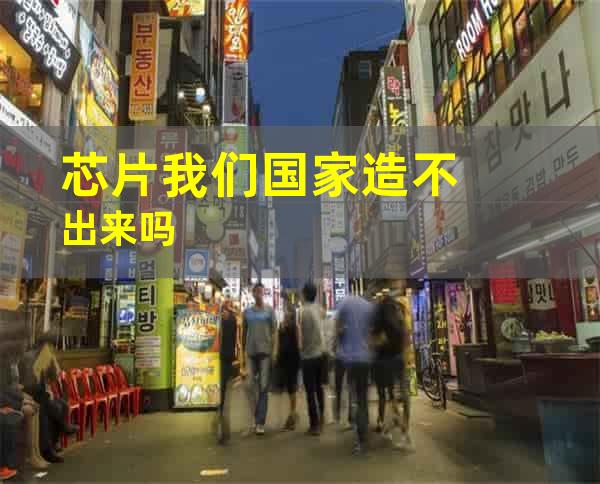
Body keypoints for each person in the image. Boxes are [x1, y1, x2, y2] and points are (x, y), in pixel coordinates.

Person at [20, 334, 78, 463]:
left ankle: (54, 443)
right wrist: (44, 392)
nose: (52, 349)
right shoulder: (29, 357)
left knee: (62, 404)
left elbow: (54, 377)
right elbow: (30, 383)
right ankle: (47, 450)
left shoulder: (45, 357)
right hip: (28, 393)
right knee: (45, 409)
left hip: (40, 393)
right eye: (50, 346)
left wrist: (53, 361)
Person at [371, 290, 412, 449]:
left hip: (386, 359)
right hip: (399, 357)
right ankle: (403, 427)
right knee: (403, 393)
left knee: (390, 395)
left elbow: (375, 339)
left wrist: (377, 346)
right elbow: (406, 333)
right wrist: (404, 352)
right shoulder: (399, 308)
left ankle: (395, 425)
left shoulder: (380, 311)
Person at [336, 294, 374, 455]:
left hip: (350, 359)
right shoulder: (369, 307)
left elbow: (338, 329)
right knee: (363, 397)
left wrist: (342, 343)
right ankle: (364, 433)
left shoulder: (345, 303)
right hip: (365, 358)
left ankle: (359, 436)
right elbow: (372, 333)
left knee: (355, 397)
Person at [242, 283, 277, 435]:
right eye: (256, 292)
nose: (258, 294)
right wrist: (242, 355)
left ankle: (260, 422)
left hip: (265, 353)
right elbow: (243, 334)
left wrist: (275, 351)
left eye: (261, 292)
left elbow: (274, 331)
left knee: (263, 387)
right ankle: (257, 415)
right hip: (250, 353)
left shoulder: (270, 311)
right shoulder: (247, 312)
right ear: (253, 294)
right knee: (248, 385)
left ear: (264, 293)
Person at [297, 282, 326, 435]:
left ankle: (314, 425)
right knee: (319, 387)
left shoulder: (302, 311)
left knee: (310, 391)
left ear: (305, 294)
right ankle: (322, 416)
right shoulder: (319, 309)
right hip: (320, 354)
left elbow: (301, 335)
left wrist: (300, 349)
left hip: (308, 356)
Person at [275, 303, 300, 431]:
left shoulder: (295, 327)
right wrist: (276, 354)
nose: (286, 313)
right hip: (282, 359)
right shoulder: (281, 326)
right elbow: (278, 341)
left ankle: (292, 415)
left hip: (292, 359)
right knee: (282, 389)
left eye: (289, 311)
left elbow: (299, 344)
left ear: (292, 314)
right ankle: (288, 416)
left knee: (291, 388)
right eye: (285, 311)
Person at [217, 298, 237, 445]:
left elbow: (234, 339)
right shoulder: (231, 320)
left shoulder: (229, 321)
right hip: (224, 357)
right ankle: (223, 426)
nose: (224, 312)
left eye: (225, 310)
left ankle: (223, 427)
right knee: (224, 390)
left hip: (225, 358)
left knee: (224, 391)